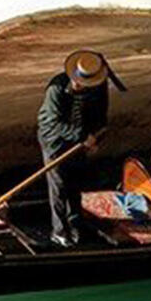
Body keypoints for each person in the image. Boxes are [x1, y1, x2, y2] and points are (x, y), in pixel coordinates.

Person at [37, 49, 117, 247]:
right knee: (58, 185)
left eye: (84, 83)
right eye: (77, 81)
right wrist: (82, 136)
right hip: (53, 140)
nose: (78, 85)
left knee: (75, 182)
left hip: (80, 141)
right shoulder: (56, 88)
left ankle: (75, 223)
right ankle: (59, 231)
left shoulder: (99, 88)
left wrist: (95, 141)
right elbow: (51, 123)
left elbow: (100, 117)